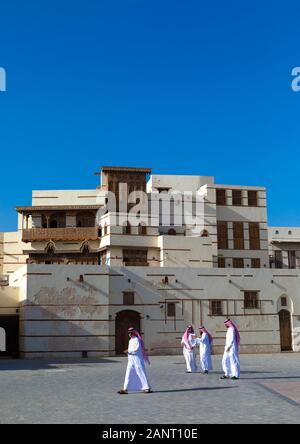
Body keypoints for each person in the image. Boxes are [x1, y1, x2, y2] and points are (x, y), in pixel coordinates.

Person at [118, 327, 152, 394]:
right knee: (128, 373)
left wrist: (128, 351)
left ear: (134, 333)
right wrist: (128, 352)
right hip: (131, 360)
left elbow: (136, 350)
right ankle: (125, 389)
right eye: (128, 333)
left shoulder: (137, 340)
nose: (129, 334)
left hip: (137, 360)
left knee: (140, 372)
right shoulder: (130, 340)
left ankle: (146, 388)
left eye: (130, 333)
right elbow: (131, 349)